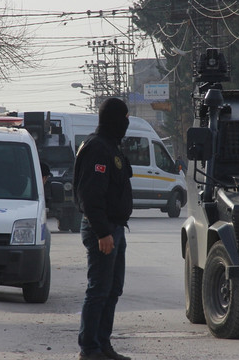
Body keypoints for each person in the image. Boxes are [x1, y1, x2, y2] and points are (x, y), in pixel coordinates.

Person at [73, 98, 133, 360]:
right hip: (103, 229)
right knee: (98, 290)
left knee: (112, 289)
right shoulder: (98, 148)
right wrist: (102, 232)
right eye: (125, 117)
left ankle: (102, 344)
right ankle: (89, 348)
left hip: (115, 228)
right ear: (114, 119)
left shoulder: (111, 146)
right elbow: (91, 195)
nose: (127, 122)